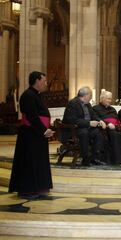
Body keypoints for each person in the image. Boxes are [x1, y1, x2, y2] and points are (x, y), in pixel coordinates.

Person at [8, 71, 54, 200]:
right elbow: (32, 116)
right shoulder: (27, 95)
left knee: (39, 162)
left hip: (37, 134)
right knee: (30, 163)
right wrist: (44, 130)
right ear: (37, 81)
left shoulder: (36, 95)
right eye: (44, 81)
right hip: (30, 134)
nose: (45, 83)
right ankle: (27, 190)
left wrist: (45, 129)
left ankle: (39, 187)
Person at [62, 86, 106, 166]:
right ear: (86, 96)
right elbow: (72, 120)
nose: (91, 97)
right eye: (90, 95)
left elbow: (93, 115)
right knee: (84, 133)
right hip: (74, 130)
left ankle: (95, 158)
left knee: (98, 132)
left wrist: (100, 120)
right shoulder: (73, 103)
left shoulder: (88, 104)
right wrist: (89, 123)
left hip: (85, 128)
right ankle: (85, 159)